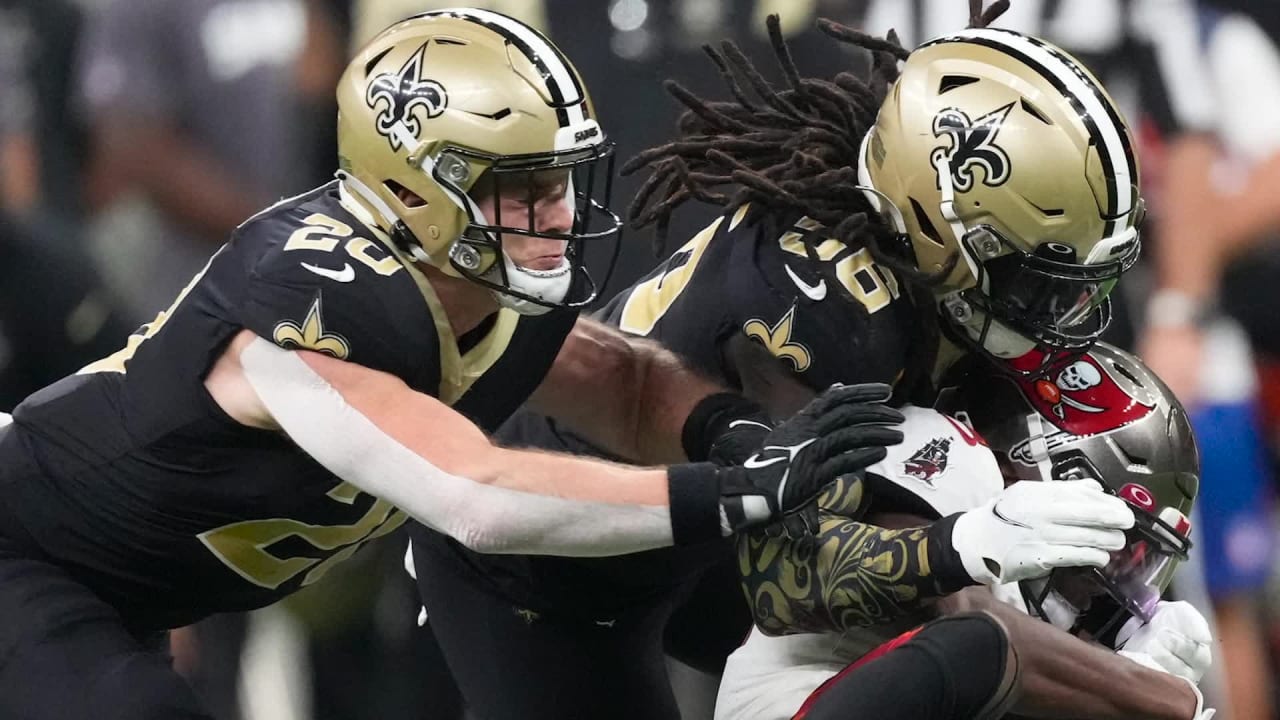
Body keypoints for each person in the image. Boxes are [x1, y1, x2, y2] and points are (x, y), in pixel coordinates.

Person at [0, 10, 934, 720]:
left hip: (120, 587)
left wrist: (730, 430)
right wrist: (733, 489)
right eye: (520, 186)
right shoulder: (315, 300)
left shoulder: (479, 284)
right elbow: (473, 492)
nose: (558, 212)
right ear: (412, 185)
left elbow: (625, 378)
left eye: (561, 179)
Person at [406, 4, 1149, 718]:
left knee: (972, 643)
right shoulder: (828, 309)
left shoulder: (917, 266)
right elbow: (787, 583)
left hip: (708, 531)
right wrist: (965, 546)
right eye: (1039, 280)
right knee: (953, 633)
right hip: (552, 561)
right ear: (938, 221)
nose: (1067, 318)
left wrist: (1113, 633)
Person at [718, 343, 1217, 720]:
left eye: (1140, 561)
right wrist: (1160, 695)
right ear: (1039, 471)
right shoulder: (948, 450)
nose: (1105, 588)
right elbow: (969, 630)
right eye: (1116, 545)